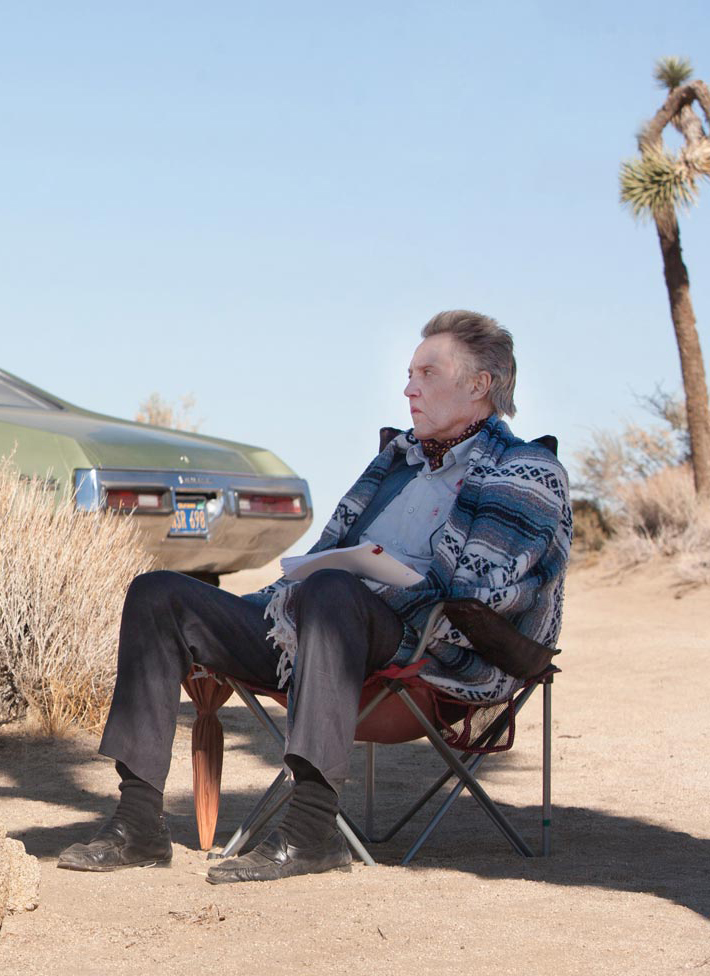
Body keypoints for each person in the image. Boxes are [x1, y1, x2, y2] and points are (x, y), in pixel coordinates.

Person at [58, 309, 571, 883]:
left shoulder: (524, 470)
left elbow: (486, 594)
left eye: (428, 373)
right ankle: (138, 824)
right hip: (315, 627)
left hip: (425, 651)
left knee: (332, 588)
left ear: (479, 385)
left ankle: (310, 831)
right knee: (158, 593)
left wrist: (370, 581)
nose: (409, 388)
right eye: (409, 374)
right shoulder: (395, 463)